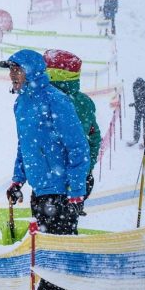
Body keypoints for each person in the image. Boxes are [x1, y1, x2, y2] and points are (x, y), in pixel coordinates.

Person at [1, 49, 94, 290]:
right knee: (45, 247)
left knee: (60, 248)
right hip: (40, 188)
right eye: (10, 70)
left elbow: (78, 148)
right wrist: (18, 180)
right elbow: (24, 146)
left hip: (62, 190)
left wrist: (76, 190)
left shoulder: (56, 101)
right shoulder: (20, 104)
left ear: (32, 71)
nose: (12, 76)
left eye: (17, 70)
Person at [44, 50, 100, 204]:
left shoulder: (46, 102)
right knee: (68, 223)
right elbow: (94, 137)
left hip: (53, 185)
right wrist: (86, 170)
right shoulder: (84, 102)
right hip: (79, 181)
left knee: (51, 226)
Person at [129, 77, 145, 146]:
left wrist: (141, 103)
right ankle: (135, 139)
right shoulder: (135, 86)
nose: (138, 89)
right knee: (136, 122)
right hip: (138, 108)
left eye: (139, 87)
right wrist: (135, 104)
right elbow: (137, 98)